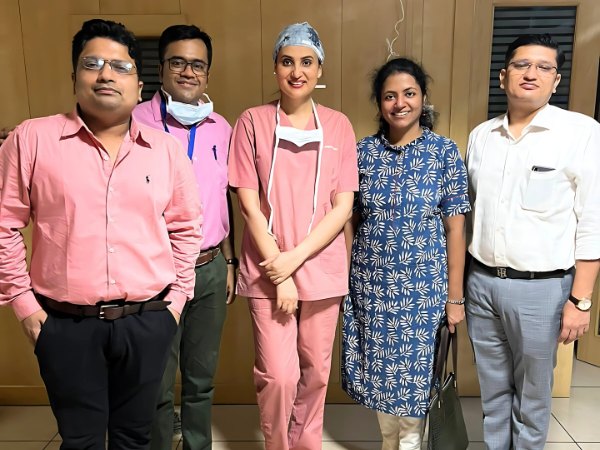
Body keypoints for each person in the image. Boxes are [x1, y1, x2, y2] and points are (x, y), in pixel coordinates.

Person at [0, 19, 202, 450]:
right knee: (81, 441)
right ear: (74, 77)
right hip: (64, 324)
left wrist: (176, 304)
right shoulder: (31, 139)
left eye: (120, 66)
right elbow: (3, 225)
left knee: (135, 437)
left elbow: (186, 229)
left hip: (148, 320)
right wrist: (24, 305)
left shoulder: (166, 151)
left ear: (139, 86)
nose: (106, 74)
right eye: (92, 64)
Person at [465, 34, 600, 450]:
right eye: (522, 65)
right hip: (481, 283)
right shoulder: (482, 136)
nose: (532, 73)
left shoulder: (581, 132)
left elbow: (593, 221)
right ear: (503, 76)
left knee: (533, 396)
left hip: (542, 289)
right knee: (493, 392)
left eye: (544, 67)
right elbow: (470, 212)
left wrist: (580, 301)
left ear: (556, 81)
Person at [227, 22, 358, 450]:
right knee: (279, 376)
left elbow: (343, 206)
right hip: (269, 266)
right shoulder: (252, 122)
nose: (297, 71)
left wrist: (294, 260)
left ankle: (306, 444)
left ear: (320, 69)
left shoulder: (338, 126)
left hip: (320, 266)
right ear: (275, 67)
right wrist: (280, 273)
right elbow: (249, 205)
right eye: (287, 62)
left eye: (307, 62)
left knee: (316, 372)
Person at [342, 58, 471, 450]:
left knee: (415, 389)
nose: (400, 103)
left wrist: (455, 298)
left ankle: (409, 444)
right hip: (372, 289)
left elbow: (456, 229)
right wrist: (346, 280)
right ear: (379, 102)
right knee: (380, 381)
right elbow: (348, 220)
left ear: (423, 97)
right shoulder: (362, 153)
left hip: (423, 291)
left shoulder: (444, 152)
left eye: (409, 93)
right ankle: (388, 442)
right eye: (390, 96)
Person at [132, 24, 236, 450]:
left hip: (210, 269)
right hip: (156, 270)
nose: (188, 72)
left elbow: (223, 198)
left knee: (201, 379)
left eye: (198, 65)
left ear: (207, 73)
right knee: (156, 381)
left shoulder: (221, 128)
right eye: (178, 62)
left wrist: (229, 261)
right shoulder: (134, 120)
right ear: (161, 68)